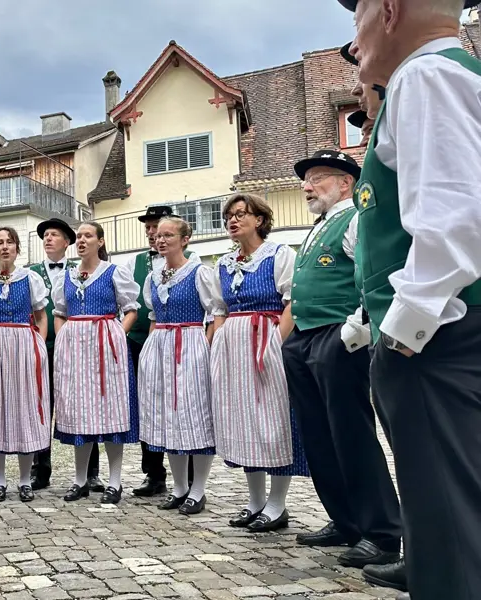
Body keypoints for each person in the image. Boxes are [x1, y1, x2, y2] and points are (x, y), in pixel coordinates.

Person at [345, 1, 481, 598]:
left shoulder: (426, 75)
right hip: (449, 333)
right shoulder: (451, 72)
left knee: (450, 532)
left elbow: (455, 218)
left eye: (360, 13)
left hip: (440, 342)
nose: (357, 34)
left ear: (390, 9)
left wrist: (402, 333)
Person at [285, 150, 402, 567]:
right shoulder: (319, 226)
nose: (306, 186)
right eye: (306, 180)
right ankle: (346, 521)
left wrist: (353, 332)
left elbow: (371, 275)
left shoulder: (353, 217)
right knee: (319, 436)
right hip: (306, 339)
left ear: (344, 183)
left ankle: (383, 532)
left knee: (351, 434)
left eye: (316, 178)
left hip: (337, 338)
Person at [343, 38, 408, 596]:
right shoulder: (386, 133)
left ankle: (410, 544)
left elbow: (452, 218)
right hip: (387, 321)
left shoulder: (430, 83)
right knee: (407, 448)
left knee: (428, 450)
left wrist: (409, 322)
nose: (363, 115)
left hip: (426, 324)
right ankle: (413, 544)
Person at [210, 194, 308, 531]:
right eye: (229, 217)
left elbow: (292, 303)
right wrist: (217, 345)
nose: (233, 221)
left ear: (260, 220)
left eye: (240, 214)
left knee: (273, 419)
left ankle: (278, 505)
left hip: (267, 340)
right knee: (243, 420)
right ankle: (254, 501)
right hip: (235, 347)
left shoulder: (279, 255)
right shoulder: (223, 263)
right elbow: (220, 309)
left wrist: (275, 344)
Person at [138, 216, 222, 514]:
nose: (161, 240)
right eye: (158, 236)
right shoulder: (153, 277)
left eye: (168, 235)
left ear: (185, 239)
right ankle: (178, 487)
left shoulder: (199, 272)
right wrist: (149, 355)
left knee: (194, 415)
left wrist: (206, 348)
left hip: (190, 345)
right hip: (160, 347)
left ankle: (198, 489)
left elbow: (215, 314)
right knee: (167, 417)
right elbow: (153, 318)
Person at [52, 222, 140, 505]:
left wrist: (116, 336)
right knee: (80, 412)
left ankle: (115, 482)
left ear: (100, 242)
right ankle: (80, 480)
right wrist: (65, 335)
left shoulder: (113, 273)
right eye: (78, 236)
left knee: (110, 411)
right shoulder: (67, 276)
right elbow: (60, 313)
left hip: (107, 352)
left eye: (88, 236)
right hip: (76, 353)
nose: (81, 240)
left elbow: (131, 310)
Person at [0, 227, 51, 502]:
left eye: (10, 242)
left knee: (24, 409)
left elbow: (41, 317)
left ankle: (25, 479)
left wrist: (37, 346)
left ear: (17, 248)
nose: (5, 247)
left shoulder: (31, 278)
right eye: (0, 242)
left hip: (24, 346)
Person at [127, 206, 200, 497]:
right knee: (151, 406)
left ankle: (193, 475)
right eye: (148, 228)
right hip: (142, 339)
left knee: (184, 406)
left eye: (157, 227)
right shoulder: (137, 263)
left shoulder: (192, 263)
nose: (152, 233)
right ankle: (154, 473)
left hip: (181, 341)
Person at [27, 218, 102, 492]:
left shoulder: (81, 270)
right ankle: (40, 468)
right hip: (42, 347)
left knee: (85, 405)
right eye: (45, 235)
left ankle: (91, 471)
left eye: (54, 235)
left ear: (67, 242)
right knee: (41, 407)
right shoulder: (31, 273)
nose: (48, 239)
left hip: (77, 348)